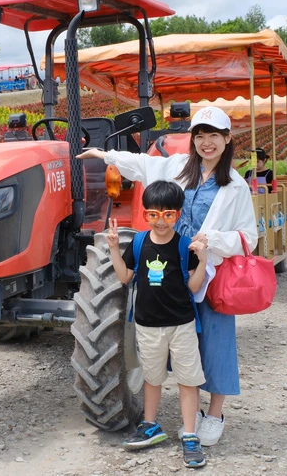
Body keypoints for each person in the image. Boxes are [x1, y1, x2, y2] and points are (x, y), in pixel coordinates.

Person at [76, 105, 258, 448]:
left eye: (214, 136)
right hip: (172, 274)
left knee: (216, 345)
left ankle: (214, 414)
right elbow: (140, 164)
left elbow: (249, 237)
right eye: (200, 136)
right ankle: (175, 413)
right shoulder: (177, 167)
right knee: (177, 346)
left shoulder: (236, 187)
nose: (206, 143)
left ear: (227, 140)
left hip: (208, 272)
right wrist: (103, 153)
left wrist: (213, 240)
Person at [110, 181, 208, 468]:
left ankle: (190, 434)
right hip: (147, 325)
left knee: (187, 380)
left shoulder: (183, 245)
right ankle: (151, 425)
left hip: (181, 324)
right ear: (145, 214)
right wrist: (115, 249)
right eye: (153, 214)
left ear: (177, 214)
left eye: (168, 215)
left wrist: (202, 260)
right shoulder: (139, 243)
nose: (161, 221)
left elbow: (193, 284)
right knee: (152, 378)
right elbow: (124, 277)